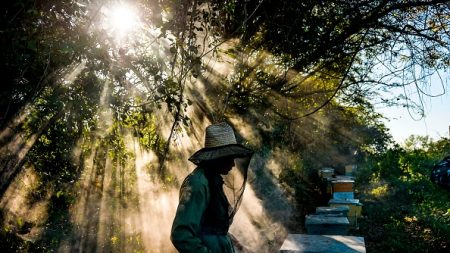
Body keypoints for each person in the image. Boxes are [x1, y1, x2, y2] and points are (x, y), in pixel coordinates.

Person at [171, 122, 253, 253]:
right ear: (217, 157)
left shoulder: (213, 179)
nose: (232, 164)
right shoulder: (198, 184)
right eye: (229, 158)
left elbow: (212, 228)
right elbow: (181, 235)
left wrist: (234, 243)